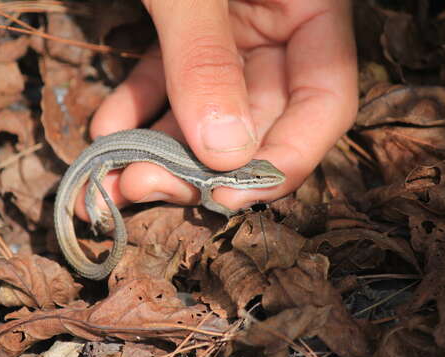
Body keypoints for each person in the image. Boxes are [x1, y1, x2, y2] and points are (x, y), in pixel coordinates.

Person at [75, 0, 357, 220]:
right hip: (108, 153)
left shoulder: (212, 175)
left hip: (122, 144)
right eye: (258, 178)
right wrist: (226, 213)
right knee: (100, 177)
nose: (267, 179)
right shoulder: (211, 181)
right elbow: (211, 202)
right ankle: (90, 202)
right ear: (240, 179)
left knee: (129, 175)